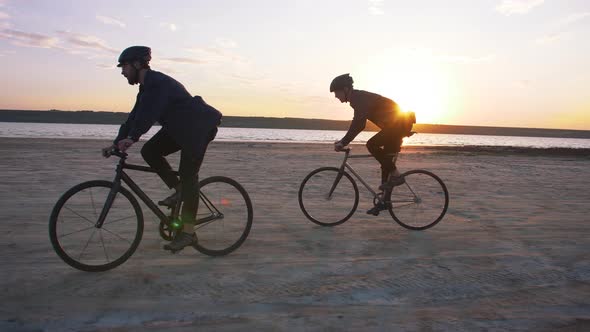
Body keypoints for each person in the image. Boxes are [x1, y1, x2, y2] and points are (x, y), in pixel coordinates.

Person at [102, 46, 222, 251]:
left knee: (188, 176)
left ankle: (188, 232)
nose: (122, 72)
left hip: (198, 127)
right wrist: (117, 142)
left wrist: (132, 137)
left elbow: (148, 114)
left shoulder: (157, 84)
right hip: (179, 128)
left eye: (124, 67)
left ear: (137, 64)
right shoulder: (146, 87)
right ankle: (179, 190)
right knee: (149, 151)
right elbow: (135, 116)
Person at [330, 73, 415, 216]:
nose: (336, 97)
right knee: (386, 163)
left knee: (371, 145)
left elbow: (359, 124)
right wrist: (343, 140)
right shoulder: (357, 98)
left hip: (398, 126)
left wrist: (343, 142)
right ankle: (384, 202)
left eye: (336, 93)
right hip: (397, 126)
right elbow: (359, 123)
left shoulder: (358, 98)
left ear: (345, 89)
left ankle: (396, 176)